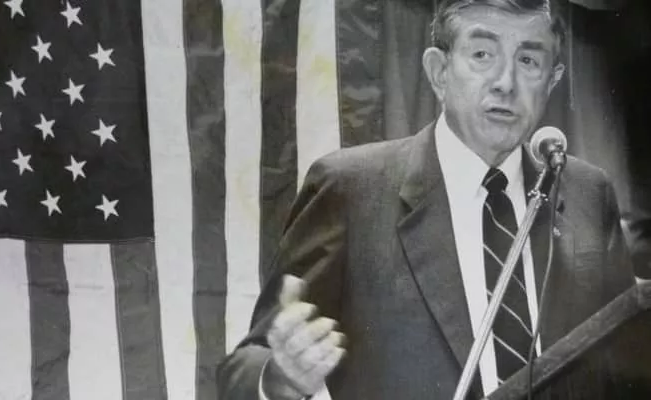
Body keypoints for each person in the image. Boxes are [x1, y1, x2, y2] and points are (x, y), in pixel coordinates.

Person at [217, 0, 636, 399]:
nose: (506, 83)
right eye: (482, 55)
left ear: (553, 79)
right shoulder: (350, 190)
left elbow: (626, 364)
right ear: (438, 72)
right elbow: (243, 369)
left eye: (528, 60)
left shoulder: (587, 192)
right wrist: (280, 377)